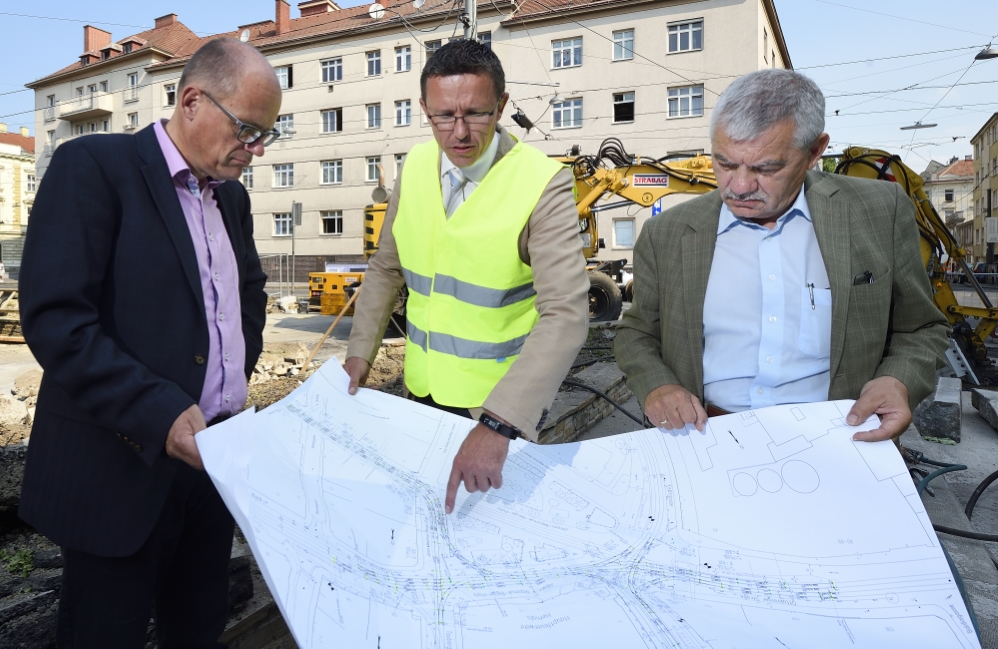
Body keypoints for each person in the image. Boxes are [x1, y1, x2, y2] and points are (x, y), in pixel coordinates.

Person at [18, 39, 279, 647]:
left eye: (268, 134)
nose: (256, 148)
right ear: (192, 101)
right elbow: (58, 319)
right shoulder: (93, 168)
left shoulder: (231, 198)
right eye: (247, 129)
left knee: (199, 627)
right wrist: (160, 412)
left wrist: (230, 383)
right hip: (119, 468)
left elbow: (248, 299)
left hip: (211, 465)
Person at [613, 69, 949, 442]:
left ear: (814, 151)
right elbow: (637, 333)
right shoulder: (667, 233)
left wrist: (897, 380)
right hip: (705, 439)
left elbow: (921, 327)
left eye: (766, 168)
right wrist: (657, 385)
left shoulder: (878, 211)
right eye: (724, 163)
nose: (739, 186)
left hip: (841, 440)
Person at [343, 39, 588, 514]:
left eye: (475, 114)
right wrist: (358, 356)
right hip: (420, 393)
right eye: (441, 117)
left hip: (497, 411)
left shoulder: (543, 182)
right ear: (423, 108)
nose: (458, 133)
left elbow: (566, 314)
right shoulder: (414, 167)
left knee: (488, 546)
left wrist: (498, 424)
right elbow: (385, 267)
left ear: (501, 105)